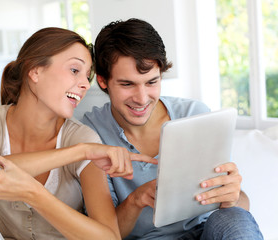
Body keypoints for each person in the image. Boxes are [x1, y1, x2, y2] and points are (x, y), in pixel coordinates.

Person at [0, 27, 157, 240]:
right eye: (74, 70)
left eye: (86, 76)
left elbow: (109, 237)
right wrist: (80, 152)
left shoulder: (82, 137)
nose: (84, 85)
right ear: (35, 71)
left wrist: (35, 194)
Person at [81, 18, 263, 239]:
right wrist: (136, 200)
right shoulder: (91, 133)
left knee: (235, 217)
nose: (141, 99)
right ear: (102, 81)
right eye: (127, 84)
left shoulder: (194, 114)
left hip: (206, 231)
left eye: (151, 82)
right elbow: (106, 234)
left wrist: (232, 197)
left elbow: (239, 208)